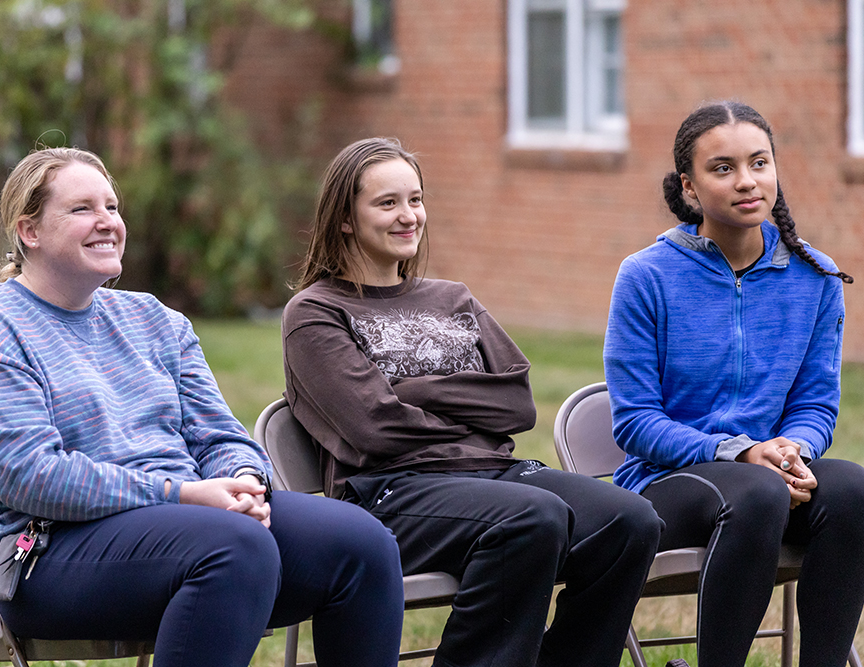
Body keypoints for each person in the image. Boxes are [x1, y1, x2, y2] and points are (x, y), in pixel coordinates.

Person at [0, 147, 405, 667]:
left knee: (364, 545)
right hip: (46, 554)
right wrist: (183, 494)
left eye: (112, 207)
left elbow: (218, 434)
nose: (107, 221)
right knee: (233, 547)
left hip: (197, 524)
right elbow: (32, 478)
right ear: (30, 231)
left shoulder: (153, 319)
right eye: (83, 209)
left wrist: (243, 481)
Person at [281, 137, 662, 667]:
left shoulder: (453, 297)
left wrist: (410, 391)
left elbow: (515, 405)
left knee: (631, 520)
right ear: (345, 218)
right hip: (391, 493)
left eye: (415, 200)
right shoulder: (317, 311)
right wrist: (460, 407)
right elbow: (376, 427)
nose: (408, 216)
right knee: (533, 516)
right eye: (387, 203)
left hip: (494, 475)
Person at [604, 101, 864, 667]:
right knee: (755, 493)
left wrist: (793, 451)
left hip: (768, 475)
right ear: (689, 186)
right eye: (723, 168)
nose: (747, 181)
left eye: (759, 162)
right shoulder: (646, 276)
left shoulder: (816, 277)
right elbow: (634, 421)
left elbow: (814, 403)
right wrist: (739, 452)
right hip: (668, 482)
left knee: (851, 488)